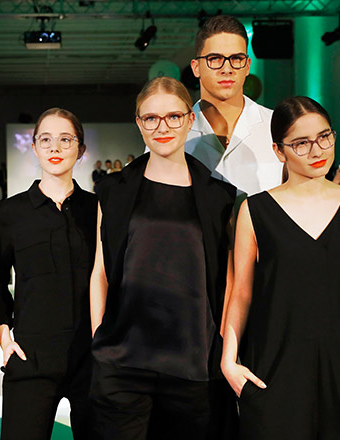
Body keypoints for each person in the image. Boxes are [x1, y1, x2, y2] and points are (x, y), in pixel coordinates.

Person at [221, 96, 340, 439]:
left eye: (324, 136)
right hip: (274, 371)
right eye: (301, 142)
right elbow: (241, 292)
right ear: (279, 150)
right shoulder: (255, 211)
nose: (317, 150)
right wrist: (229, 361)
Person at [90, 77, 236, 439]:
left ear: (189, 119)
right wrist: (100, 338)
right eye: (151, 118)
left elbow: (229, 280)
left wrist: (219, 343)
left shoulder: (219, 197)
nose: (163, 127)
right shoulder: (113, 190)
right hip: (122, 361)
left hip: (192, 363)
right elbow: (100, 272)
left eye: (173, 117)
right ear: (139, 123)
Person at [0, 108, 97, 439]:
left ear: (80, 150)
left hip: (91, 359)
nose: (55, 148)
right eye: (46, 140)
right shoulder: (10, 213)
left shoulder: (98, 210)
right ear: (34, 147)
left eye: (66, 140)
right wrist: (4, 334)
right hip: (31, 355)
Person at [188, 15, 282, 196]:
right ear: (196, 67)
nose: (227, 69)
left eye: (236, 58)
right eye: (215, 59)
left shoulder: (276, 126)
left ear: (247, 66)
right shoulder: (172, 133)